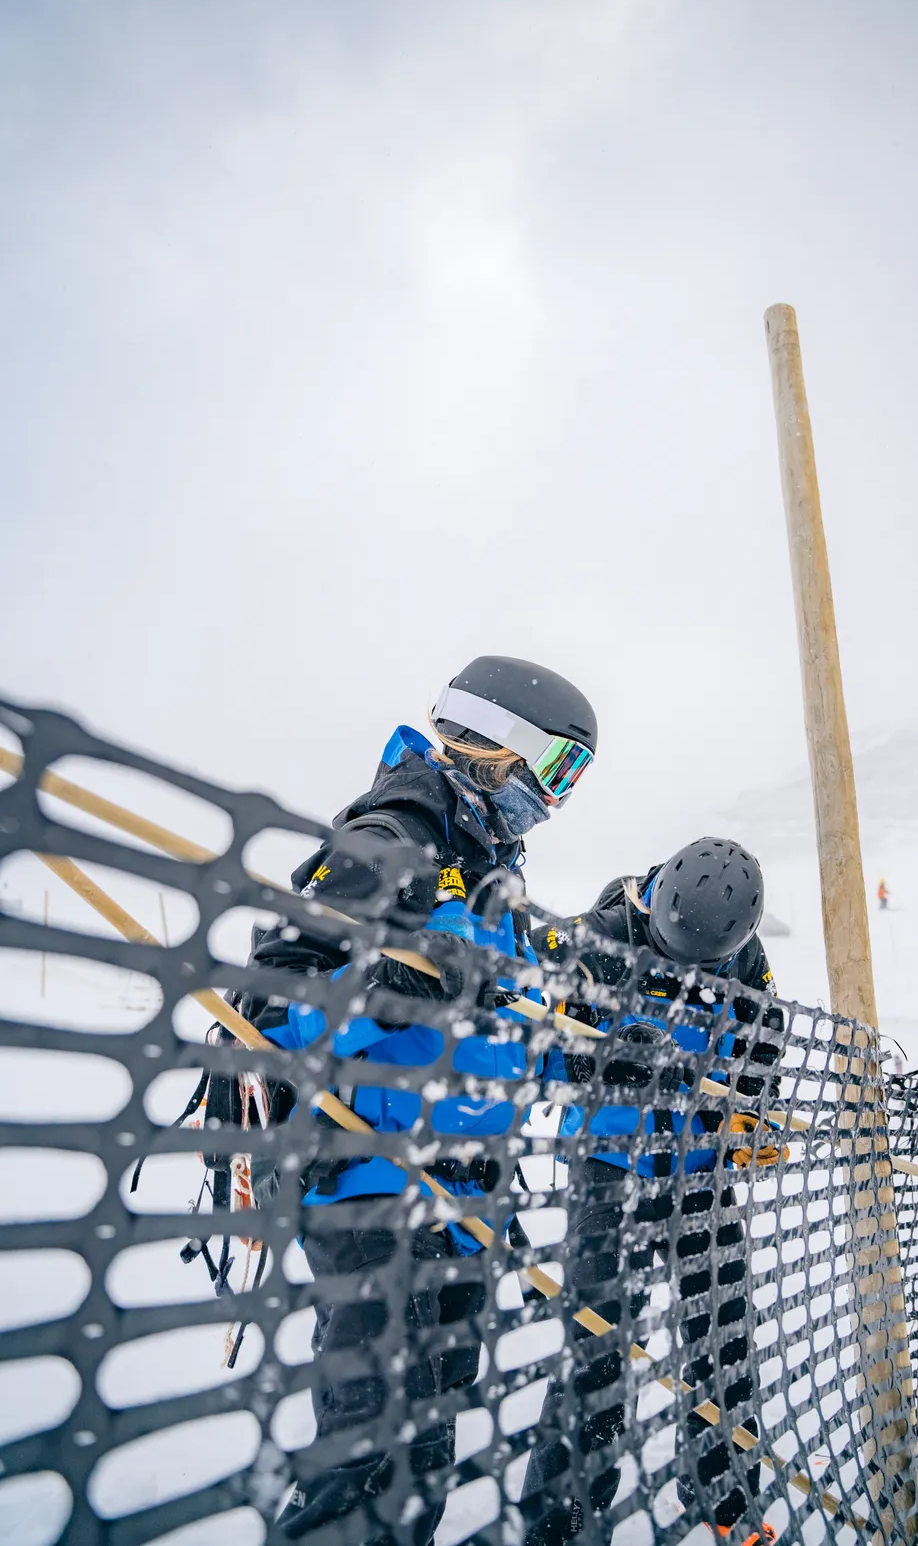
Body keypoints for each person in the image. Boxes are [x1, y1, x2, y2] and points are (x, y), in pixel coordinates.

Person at [224, 656, 598, 1544]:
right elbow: (269, 1012)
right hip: (367, 1179)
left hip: (453, 1189)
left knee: (428, 1441)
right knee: (368, 1447)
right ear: (505, 745)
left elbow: (489, 1030)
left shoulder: (491, 870)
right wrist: (392, 981)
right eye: (559, 770)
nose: (559, 796)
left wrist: (575, 1056)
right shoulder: (397, 834)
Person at [521, 839, 784, 1544]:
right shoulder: (599, 940)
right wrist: (611, 1063)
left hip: (700, 1173)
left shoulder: (747, 963)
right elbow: (542, 1050)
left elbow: (765, 1044)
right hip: (613, 1168)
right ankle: (564, 1523)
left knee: (723, 1341)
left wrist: (753, 1106)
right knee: (599, 1351)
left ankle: (732, 1508)